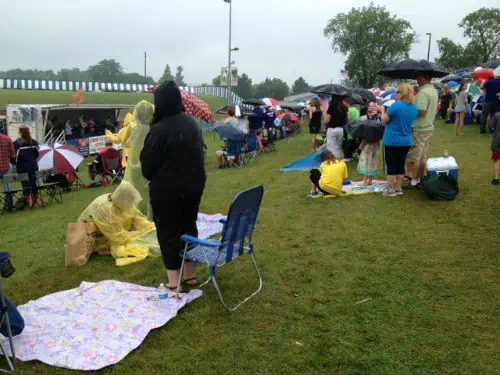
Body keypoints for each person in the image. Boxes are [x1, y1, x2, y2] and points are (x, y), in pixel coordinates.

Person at [141, 81, 206, 292]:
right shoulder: (192, 123)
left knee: (168, 233)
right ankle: (190, 275)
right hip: (194, 186)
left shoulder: (159, 130)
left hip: (166, 192)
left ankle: (173, 281)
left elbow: (147, 168)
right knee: (189, 227)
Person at [79, 181, 157, 266]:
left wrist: (152, 228)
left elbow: (138, 218)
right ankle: (98, 247)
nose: (132, 203)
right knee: (122, 242)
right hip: (90, 233)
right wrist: (140, 233)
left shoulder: (122, 201)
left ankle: (103, 246)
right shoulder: (106, 209)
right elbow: (117, 236)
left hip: (108, 232)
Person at [377, 83, 418, 197]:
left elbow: (384, 120)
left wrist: (382, 110)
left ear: (403, 93)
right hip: (406, 140)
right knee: (400, 165)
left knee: (391, 166)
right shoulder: (414, 108)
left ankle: (390, 190)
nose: (395, 94)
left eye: (397, 92)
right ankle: (398, 188)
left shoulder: (395, 106)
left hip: (391, 140)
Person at [123, 100, 154, 218]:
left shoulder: (132, 126)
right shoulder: (152, 128)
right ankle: (148, 213)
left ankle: (134, 213)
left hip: (133, 162)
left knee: (133, 188)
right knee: (146, 189)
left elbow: (126, 143)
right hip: (147, 162)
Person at [406, 74, 438, 187]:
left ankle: (414, 179)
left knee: (414, 156)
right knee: (423, 155)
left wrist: (409, 110)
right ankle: (419, 177)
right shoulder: (433, 90)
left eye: (418, 78)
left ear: (423, 78)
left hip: (419, 127)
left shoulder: (423, 92)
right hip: (428, 126)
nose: (417, 80)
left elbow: (421, 111)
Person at [14, 126, 40, 209]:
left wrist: (15, 163)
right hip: (33, 166)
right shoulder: (34, 142)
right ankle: (35, 203)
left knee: (25, 185)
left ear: (20, 133)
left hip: (22, 168)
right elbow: (37, 154)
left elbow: (16, 157)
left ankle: (27, 204)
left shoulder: (17, 143)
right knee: (33, 185)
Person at [481, 66, 500, 132]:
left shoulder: (488, 82)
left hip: (488, 101)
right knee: (493, 116)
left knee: (484, 116)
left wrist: (483, 82)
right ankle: (492, 130)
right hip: (496, 102)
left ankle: (482, 130)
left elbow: (483, 88)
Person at [490, 112, 500, 185]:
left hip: (497, 140)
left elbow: (492, 126)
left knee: (496, 159)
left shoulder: (497, 115)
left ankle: (496, 178)